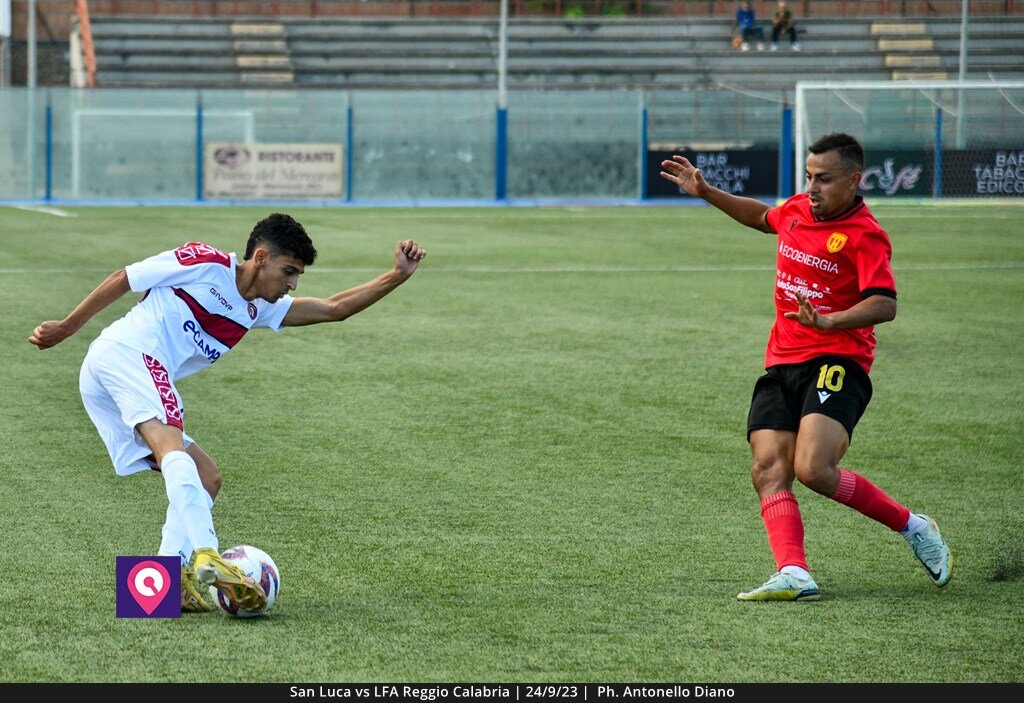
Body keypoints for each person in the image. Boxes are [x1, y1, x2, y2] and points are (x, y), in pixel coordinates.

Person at [29, 214, 427, 613]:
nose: (293, 284)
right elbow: (124, 277)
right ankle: (208, 553)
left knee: (207, 476)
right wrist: (67, 327)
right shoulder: (207, 263)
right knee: (174, 452)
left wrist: (397, 275)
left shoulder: (259, 310)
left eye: (298, 276)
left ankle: (159, 589)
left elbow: (334, 308)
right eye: (289, 271)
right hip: (128, 354)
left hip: (124, 373)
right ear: (260, 257)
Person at [659, 134, 951, 601]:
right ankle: (794, 572)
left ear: (855, 181)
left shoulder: (865, 235)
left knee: (814, 468)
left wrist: (832, 320)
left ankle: (913, 526)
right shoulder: (797, 208)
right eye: (809, 177)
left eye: (825, 179)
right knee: (768, 468)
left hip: (839, 360)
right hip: (782, 361)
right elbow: (761, 217)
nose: (813, 187)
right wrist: (708, 192)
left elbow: (885, 304)